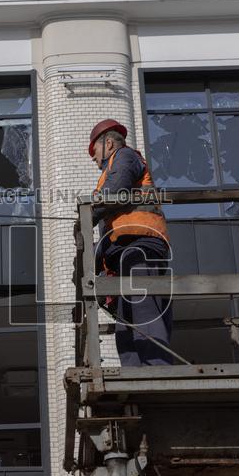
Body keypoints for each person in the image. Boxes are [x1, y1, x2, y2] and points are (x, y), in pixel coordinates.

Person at [89, 119, 174, 366]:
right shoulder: (112, 168)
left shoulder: (125, 157)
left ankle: (157, 370)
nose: (94, 159)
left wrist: (89, 216)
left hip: (140, 245)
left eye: (94, 152)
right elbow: (112, 228)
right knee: (125, 322)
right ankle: (134, 371)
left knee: (144, 308)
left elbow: (116, 190)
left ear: (108, 143)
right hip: (128, 249)